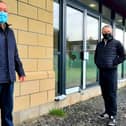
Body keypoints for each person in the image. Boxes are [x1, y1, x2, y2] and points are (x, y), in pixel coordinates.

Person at [94, 25, 126, 126]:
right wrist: (98, 63)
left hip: (111, 72)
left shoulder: (116, 43)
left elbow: (123, 55)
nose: (106, 33)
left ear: (111, 32)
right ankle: (107, 112)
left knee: (111, 94)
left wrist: (114, 62)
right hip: (102, 72)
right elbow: (96, 56)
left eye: (108, 31)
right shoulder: (99, 44)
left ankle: (113, 116)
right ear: (102, 33)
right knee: (105, 93)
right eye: (104, 31)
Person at [0, 1, 25, 126]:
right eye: (0, 10)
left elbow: (15, 54)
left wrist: (20, 71)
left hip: (9, 79)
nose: (3, 13)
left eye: (5, 11)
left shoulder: (10, 33)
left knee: (7, 113)